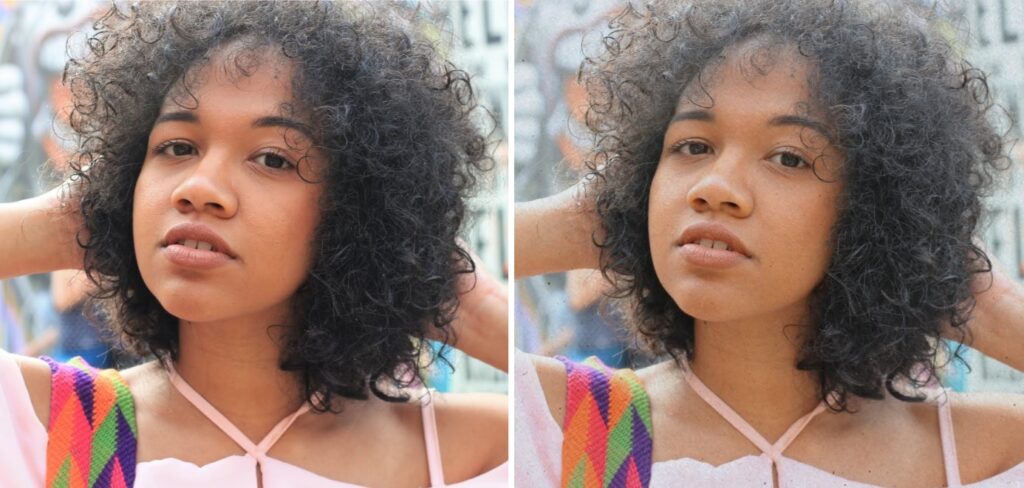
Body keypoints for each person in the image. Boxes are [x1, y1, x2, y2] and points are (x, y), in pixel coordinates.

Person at [515, 0, 1024, 486]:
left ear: (872, 206)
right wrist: (579, 223)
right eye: (692, 146)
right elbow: (442, 278)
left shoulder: (977, 455)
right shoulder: (568, 426)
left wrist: (993, 306)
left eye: (788, 158)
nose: (715, 186)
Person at [0, 2, 507, 487]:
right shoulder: (47, 427)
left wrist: (480, 313)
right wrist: (70, 223)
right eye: (176, 147)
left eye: (272, 159)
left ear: (355, 208)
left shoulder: (475, 453)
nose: (199, 187)